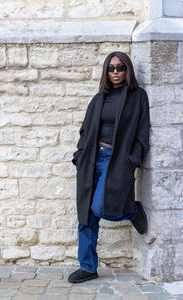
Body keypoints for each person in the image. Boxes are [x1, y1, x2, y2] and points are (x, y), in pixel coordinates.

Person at [68, 51, 150, 283]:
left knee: (99, 208)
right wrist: (79, 155)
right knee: (86, 217)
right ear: (106, 71)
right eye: (111, 68)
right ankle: (88, 266)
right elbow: (85, 131)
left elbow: (142, 134)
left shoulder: (137, 96)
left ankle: (132, 210)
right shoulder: (98, 99)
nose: (115, 72)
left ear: (128, 70)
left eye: (120, 67)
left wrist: (131, 159)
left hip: (117, 161)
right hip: (91, 159)